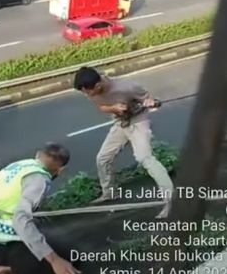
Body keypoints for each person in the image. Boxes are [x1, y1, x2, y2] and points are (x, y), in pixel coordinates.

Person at [73, 66, 174, 219]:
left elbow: (150, 100)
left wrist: (150, 102)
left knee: (145, 159)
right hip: (121, 122)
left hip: (138, 121)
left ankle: (172, 201)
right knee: (103, 159)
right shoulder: (90, 90)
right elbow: (102, 106)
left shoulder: (126, 87)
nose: (86, 95)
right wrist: (114, 108)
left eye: (87, 91)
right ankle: (109, 193)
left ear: (98, 86)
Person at [0, 142, 81, 274]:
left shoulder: (20, 165)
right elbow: (20, 220)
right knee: (66, 263)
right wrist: (54, 260)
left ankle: (7, 267)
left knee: (44, 244)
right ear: (61, 170)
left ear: (37, 156)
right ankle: (2, 268)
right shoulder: (40, 180)